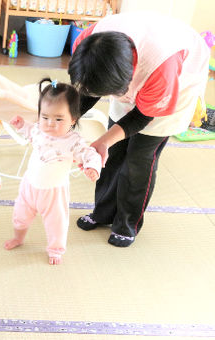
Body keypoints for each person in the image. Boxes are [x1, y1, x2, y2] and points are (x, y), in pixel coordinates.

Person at [68, 12, 210, 247]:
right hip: (134, 69)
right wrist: (66, 122)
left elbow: (143, 115)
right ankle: (103, 213)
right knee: (113, 154)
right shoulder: (88, 43)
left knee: (139, 159)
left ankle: (127, 224)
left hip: (177, 79)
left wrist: (103, 140)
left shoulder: (162, 65)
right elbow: (86, 89)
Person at [4, 78, 101, 265]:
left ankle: (56, 250)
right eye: (45, 117)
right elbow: (29, 131)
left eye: (58, 119)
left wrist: (92, 167)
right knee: (20, 216)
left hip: (54, 192)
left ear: (73, 120)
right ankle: (18, 237)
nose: (50, 124)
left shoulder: (73, 141)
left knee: (57, 224)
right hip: (29, 186)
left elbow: (90, 154)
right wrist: (20, 124)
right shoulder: (39, 130)